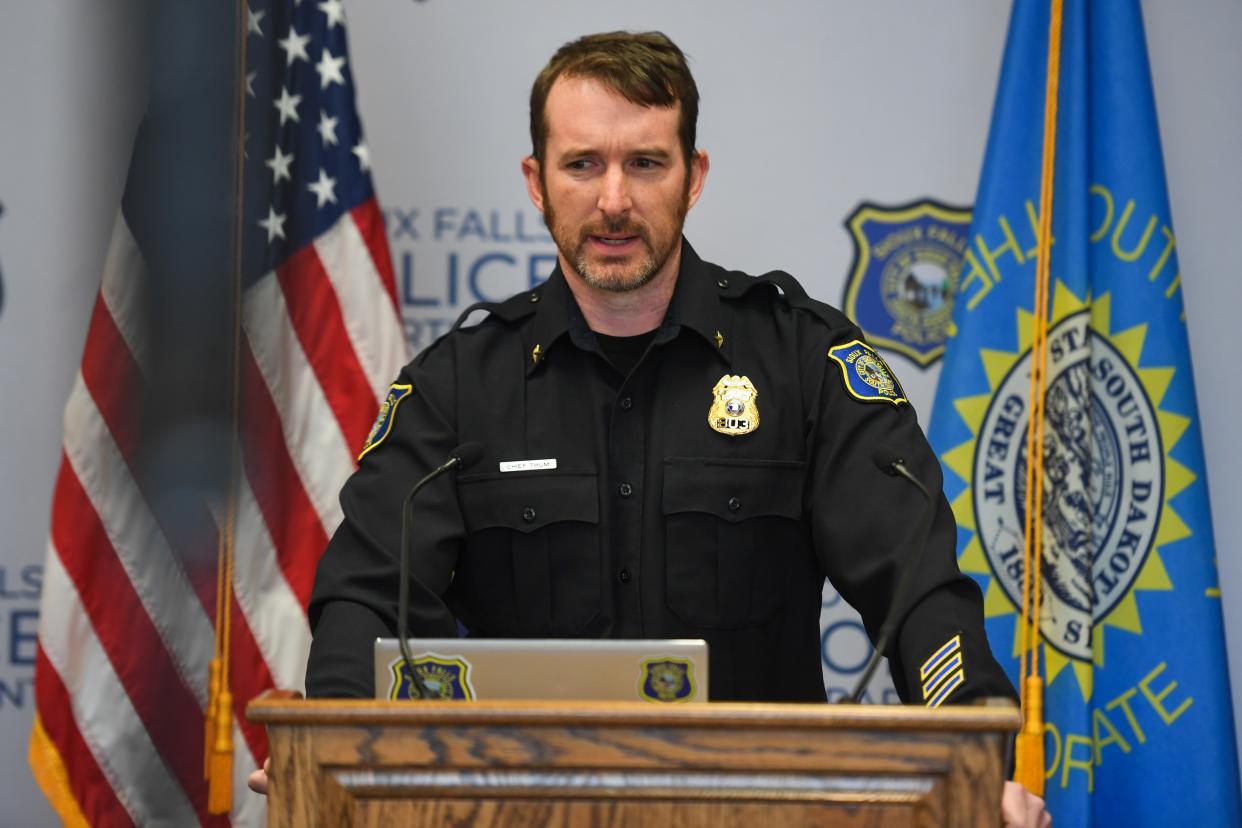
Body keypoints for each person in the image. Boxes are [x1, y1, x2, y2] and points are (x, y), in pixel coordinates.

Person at [263, 30, 1048, 826]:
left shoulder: (804, 361)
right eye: (582, 164)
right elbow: (367, 601)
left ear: (692, 176)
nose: (613, 201)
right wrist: (334, 745)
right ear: (536, 182)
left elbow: (917, 593)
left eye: (645, 162)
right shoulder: (457, 386)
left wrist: (972, 754)